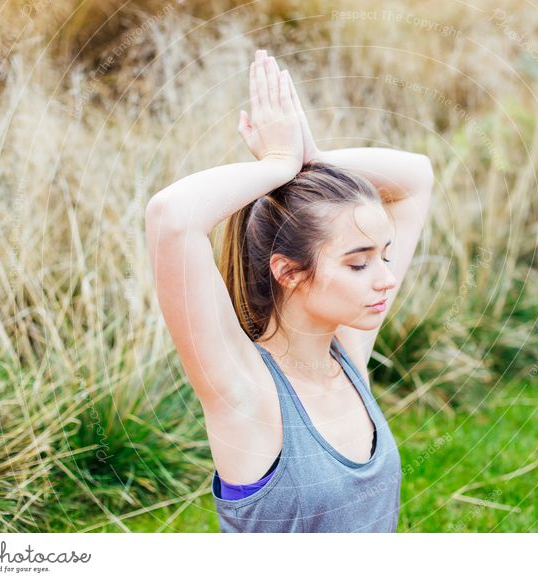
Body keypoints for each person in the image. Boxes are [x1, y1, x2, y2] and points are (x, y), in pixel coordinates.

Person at [144, 49, 434, 532]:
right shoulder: (244, 391)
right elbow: (171, 218)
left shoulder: (347, 358)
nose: (386, 277)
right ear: (289, 271)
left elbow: (416, 177)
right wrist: (279, 165)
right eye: (358, 263)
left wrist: (313, 161)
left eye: (384, 255)